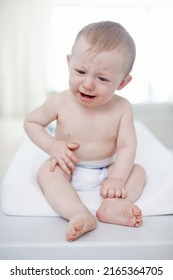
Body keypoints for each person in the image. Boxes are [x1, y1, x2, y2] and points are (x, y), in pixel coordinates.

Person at [24, 21, 146, 242]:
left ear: (123, 82)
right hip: (68, 165)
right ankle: (77, 212)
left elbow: (126, 145)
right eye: (80, 71)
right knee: (47, 174)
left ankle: (112, 206)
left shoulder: (122, 108)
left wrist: (117, 178)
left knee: (138, 172)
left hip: (107, 167)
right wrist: (52, 145)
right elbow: (31, 122)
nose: (88, 84)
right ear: (70, 63)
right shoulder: (60, 101)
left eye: (102, 78)